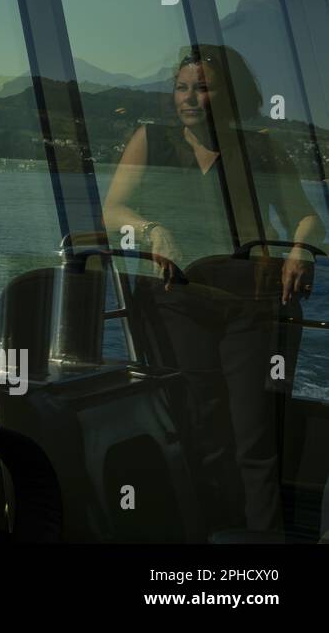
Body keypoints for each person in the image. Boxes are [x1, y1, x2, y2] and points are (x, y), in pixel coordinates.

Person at [103, 44, 324, 537]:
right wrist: (152, 229)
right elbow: (113, 209)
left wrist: (302, 249)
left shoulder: (261, 147)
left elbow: (305, 216)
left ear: (230, 97)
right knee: (200, 427)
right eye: (182, 87)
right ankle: (207, 538)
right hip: (178, 299)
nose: (189, 97)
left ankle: (265, 546)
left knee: (253, 434)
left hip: (250, 302)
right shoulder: (151, 140)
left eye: (202, 88)